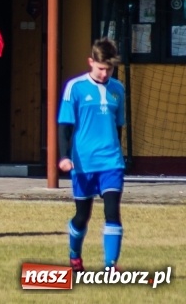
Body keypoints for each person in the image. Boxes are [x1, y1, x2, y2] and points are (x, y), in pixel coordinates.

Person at [58, 38, 126, 272]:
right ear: (91, 62)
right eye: (101, 68)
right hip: (83, 163)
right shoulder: (75, 88)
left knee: (112, 211)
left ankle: (110, 266)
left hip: (111, 161)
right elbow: (65, 126)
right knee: (82, 216)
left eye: (109, 69)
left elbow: (118, 127)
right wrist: (64, 156)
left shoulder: (118, 89)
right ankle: (75, 254)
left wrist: (118, 152)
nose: (105, 74)